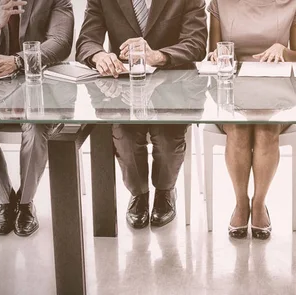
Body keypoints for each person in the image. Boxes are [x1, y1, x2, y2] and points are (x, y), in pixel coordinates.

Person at [76, 0, 207, 229]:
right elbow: (86, 41)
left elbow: (196, 44)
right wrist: (99, 56)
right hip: (124, 87)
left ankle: (165, 191)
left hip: (172, 86)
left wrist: (157, 55)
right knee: (124, 136)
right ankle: (139, 194)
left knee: (167, 137)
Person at [0, 0, 74, 236]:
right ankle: (6, 201)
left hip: (41, 88)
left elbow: (61, 42)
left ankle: (25, 203)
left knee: (37, 127)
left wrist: (20, 61)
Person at [207, 0, 296, 239]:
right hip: (232, 89)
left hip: (276, 89)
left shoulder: (293, 4)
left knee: (265, 128)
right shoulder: (220, 3)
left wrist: (282, 51)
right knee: (239, 128)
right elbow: (214, 51)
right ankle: (241, 203)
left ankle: (259, 203)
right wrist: (213, 55)